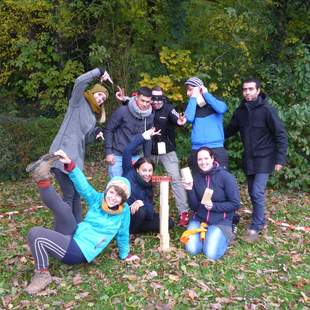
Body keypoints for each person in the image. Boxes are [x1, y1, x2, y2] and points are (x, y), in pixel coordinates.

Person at [24, 150, 138, 295]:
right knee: (65, 209)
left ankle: (42, 273)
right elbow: (83, 186)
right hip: (74, 233)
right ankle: (41, 177)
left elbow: (123, 234)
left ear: (124, 199)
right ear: (107, 191)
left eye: (119, 196)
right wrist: (69, 164)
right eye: (112, 192)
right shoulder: (98, 199)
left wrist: (125, 255)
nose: (113, 198)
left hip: (79, 251)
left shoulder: (124, 212)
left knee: (36, 234)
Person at [225, 78, 288, 242]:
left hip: (265, 158)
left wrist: (280, 159)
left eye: (251, 89)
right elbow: (229, 130)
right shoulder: (241, 111)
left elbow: (280, 134)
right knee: (253, 193)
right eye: (245, 89)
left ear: (258, 90)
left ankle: (256, 227)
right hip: (249, 159)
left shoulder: (268, 110)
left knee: (257, 191)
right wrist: (213, 139)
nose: (247, 92)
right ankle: (260, 218)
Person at [49, 68, 112, 223]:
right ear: (93, 92)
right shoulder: (78, 101)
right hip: (61, 154)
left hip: (75, 160)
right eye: (99, 94)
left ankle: (77, 226)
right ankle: (64, 228)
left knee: (76, 193)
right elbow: (79, 81)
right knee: (69, 194)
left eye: (103, 98)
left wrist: (96, 133)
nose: (100, 99)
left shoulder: (92, 116)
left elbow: (85, 138)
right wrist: (99, 71)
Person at [181, 147, 240, 260]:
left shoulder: (226, 177)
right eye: (200, 159)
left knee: (211, 254)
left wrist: (214, 206)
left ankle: (227, 232)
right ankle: (209, 234)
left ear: (212, 158)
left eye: (206, 158)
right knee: (191, 249)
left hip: (220, 220)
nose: (203, 162)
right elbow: (194, 206)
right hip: (200, 219)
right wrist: (189, 189)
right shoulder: (196, 177)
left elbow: (235, 203)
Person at [122, 128, 174, 234]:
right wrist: (143, 137)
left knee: (168, 222)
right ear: (137, 169)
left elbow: (150, 212)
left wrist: (142, 203)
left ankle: (138, 228)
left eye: (150, 170)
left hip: (143, 216)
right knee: (141, 211)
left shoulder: (148, 185)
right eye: (144, 170)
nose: (147, 174)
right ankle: (130, 231)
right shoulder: (129, 173)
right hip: (126, 216)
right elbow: (127, 150)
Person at [104, 87, 154, 178]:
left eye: (148, 102)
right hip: (118, 156)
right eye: (142, 100)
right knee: (117, 187)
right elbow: (109, 130)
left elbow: (148, 138)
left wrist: (147, 159)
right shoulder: (122, 111)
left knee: (133, 187)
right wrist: (108, 152)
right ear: (136, 97)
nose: (145, 104)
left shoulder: (150, 116)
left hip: (136, 156)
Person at [184, 77, 228, 172]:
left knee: (220, 179)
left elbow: (222, 109)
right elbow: (189, 118)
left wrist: (206, 94)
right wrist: (193, 98)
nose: (187, 93)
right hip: (197, 149)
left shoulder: (214, 101)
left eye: (190, 89)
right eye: (187, 90)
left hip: (216, 148)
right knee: (198, 182)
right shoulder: (191, 105)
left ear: (199, 88)